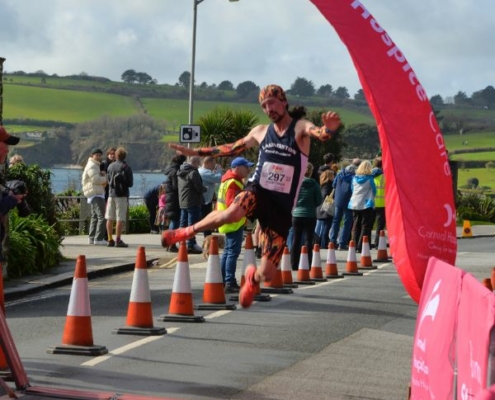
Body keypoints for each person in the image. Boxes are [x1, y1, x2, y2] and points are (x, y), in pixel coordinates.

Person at [161, 84, 341, 308]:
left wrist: (330, 129)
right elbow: (231, 148)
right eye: (264, 106)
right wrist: (196, 152)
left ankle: (252, 280)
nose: (268, 109)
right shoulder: (261, 131)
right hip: (259, 190)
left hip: (282, 206)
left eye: (272, 103)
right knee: (232, 212)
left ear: (284, 102)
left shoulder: (299, 128)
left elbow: (320, 133)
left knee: (267, 272)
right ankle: (185, 232)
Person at [217, 156, 253, 293]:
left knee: (228, 251)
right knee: (232, 252)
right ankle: (229, 281)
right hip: (233, 221)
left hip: (226, 219)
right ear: (237, 168)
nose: (248, 170)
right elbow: (233, 203)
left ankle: (222, 279)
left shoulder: (227, 180)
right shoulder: (234, 183)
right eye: (246, 167)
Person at [290, 162, 322, 271]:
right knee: (308, 239)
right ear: (311, 172)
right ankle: (307, 263)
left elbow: (291, 199)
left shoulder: (296, 184)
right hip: (310, 214)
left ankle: (293, 264)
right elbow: (319, 200)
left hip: (297, 214)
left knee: (296, 239)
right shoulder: (315, 185)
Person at [177, 155, 206, 254]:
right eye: (198, 164)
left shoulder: (180, 172)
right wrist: (205, 189)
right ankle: (191, 244)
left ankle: (182, 243)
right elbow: (198, 187)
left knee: (183, 224)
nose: (199, 167)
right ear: (195, 163)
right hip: (193, 201)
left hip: (183, 202)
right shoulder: (193, 172)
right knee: (191, 225)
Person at [329, 158, 360, 251]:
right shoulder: (354, 177)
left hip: (338, 200)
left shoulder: (339, 174)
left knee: (336, 221)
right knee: (347, 222)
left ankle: (332, 241)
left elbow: (333, 185)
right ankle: (342, 243)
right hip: (349, 201)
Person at [105, 147, 133, 248]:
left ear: (116, 155)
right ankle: (118, 240)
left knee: (109, 218)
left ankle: (109, 239)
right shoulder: (126, 167)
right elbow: (130, 184)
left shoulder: (110, 166)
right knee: (119, 219)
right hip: (122, 195)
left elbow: (108, 180)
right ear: (124, 156)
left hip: (111, 194)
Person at [348, 160, 376, 252]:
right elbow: (374, 190)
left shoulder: (354, 178)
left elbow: (352, 189)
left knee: (356, 225)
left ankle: (354, 244)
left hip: (354, 203)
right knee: (365, 225)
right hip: (366, 204)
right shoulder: (370, 179)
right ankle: (361, 246)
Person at [81, 148, 108, 245]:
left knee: (95, 217)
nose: (99, 157)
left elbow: (95, 178)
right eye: (97, 155)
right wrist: (105, 178)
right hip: (96, 193)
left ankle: (91, 238)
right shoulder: (92, 165)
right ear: (92, 155)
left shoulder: (94, 165)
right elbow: (96, 180)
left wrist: (101, 175)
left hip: (93, 193)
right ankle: (99, 239)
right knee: (102, 216)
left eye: (100, 155)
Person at [163, 154, 186, 253]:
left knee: (174, 221)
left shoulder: (170, 169)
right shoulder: (175, 172)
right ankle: (171, 243)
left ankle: (170, 243)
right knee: (175, 221)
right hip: (175, 199)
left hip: (170, 198)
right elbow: (176, 186)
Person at [198, 156, 222, 237]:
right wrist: (219, 170)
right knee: (206, 222)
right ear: (208, 163)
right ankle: (207, 240)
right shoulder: (204, 172)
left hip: (205, 200)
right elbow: (219, 178)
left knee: (206, 222)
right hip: (204, 201)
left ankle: (207, 239)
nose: (214, 166)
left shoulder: (203, 171)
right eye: (213, 164)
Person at [314, 168, 335, 249]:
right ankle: (324, 243)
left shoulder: (322, 185)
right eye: (332, 175)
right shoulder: (328, 185)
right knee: (326, 227)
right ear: (329, 177)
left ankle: (321, 243)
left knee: (322, 227)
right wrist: (331, 198)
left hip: (320, 209)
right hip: (326, 209)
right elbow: (324, 196)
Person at [371, 156, 386, 248]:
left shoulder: (369, 175)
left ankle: (366, 243)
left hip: (371, 203)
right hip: (382, 203)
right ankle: (378, 243)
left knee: (369, 224)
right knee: (380, 226)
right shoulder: (383, 176)